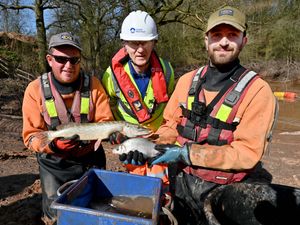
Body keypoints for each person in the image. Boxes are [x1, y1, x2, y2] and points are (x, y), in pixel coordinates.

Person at [149, 6, 278, 225]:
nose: (224, 42)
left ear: (244, 40)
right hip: (181, 186)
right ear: (206, 40)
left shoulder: (258, 91)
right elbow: (170, 127)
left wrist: (189, 154)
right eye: (217, 35)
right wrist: (145, 146)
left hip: (226, 195)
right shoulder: (186, 81)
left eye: (232, 35)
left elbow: (247, 153)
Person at [22, 32, 114, 224]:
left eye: (74, 60)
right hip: (54, 164)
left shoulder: (94, 85)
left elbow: (106, 120)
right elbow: (31, 136)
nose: (68, 65)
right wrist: (54, 147)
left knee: (96, 208)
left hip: (90, 158)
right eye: (61, 59)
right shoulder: (34, 89)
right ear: (49, 59)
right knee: (57, 215)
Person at [102, 10, 175, 186]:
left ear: (154, 42)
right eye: (134, 43)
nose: (140, 49)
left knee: (159, 186)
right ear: (124, 44)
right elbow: (106, 109)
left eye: (145, 43)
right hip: (129, 141)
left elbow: (172, 110)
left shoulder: (167, 72)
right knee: (137, 186)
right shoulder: (110, 76)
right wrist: (114, 132)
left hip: (158, 140)